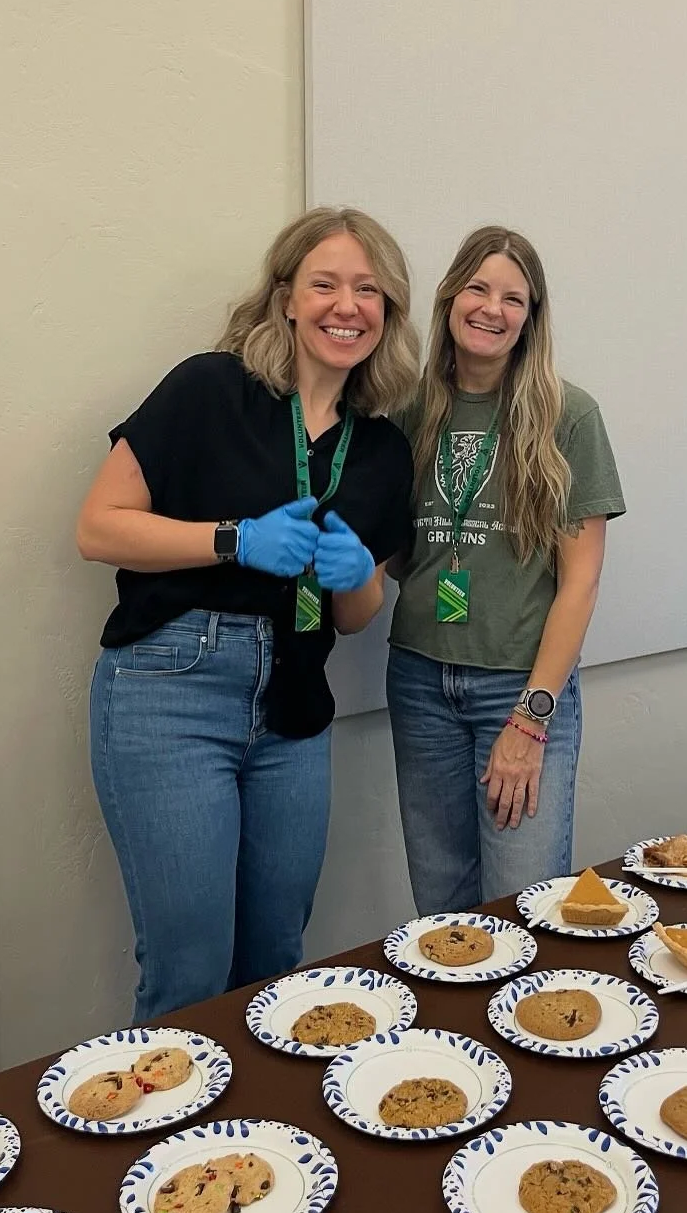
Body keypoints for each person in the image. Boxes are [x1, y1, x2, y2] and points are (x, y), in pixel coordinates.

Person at [76, 207, 417, 1021]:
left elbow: (360, 612)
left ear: (389, 312)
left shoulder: (381, 448)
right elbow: (98, 527)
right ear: (286, 299)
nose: (347, 305)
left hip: (295, 706)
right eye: (325, 283)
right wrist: (234, 539)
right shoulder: (211, 388)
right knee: (190, 970)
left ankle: (258, 1146)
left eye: (368, 290)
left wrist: (352, 579)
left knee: (275, 965)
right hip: (173, 688)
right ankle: (171, 1144)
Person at [386, 226, 625, 913]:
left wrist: (531, 719)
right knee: (441, 907)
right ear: (450, 297)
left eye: (513, 298)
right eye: (478, 288)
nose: (492, 308)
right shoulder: (410, 410)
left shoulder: (568, 415)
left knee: (523, 906)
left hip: (519, 689)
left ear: (531, 318)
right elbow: (402, 551)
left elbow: (580, 582)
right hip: (419, 679)